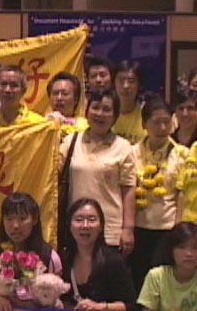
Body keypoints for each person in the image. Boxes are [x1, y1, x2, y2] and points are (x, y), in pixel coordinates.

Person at [59, 89, 136, 254]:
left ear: (115, 116)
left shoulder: (123, 147)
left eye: (107, 109)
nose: (100, 114)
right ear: (87, 111)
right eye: (95, 108)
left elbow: (128, 189)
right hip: (76, 228)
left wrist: (128, 229)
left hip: (110, 230)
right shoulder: (70, 142)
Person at [131, 96, 187, 293]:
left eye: (166, 121)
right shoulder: (132, 152)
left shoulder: (181, 154)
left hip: (167, 229)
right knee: (138, 278)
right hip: (137, 228)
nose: (162, 128)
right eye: (156, 122)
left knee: (161, 283)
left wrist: (178, 231)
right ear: (144, 124)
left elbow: (181, 195)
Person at [0, 192, 62, 311]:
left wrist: (36, 303)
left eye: (22, 218)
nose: (15, 226)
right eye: (9, 219)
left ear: (34, 219)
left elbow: (57, 298)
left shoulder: (50, 257)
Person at [112, 60, 146, 144]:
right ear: (113, 83)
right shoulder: (105, 113)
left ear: (139, 85)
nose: (125, 86)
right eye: (121, 80)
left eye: (131, 81)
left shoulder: (147, 114)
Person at [46, 71, 88, 137]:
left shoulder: (85, 126)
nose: (59, 98)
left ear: (76, 99)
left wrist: (63, 121)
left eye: (65, 94)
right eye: (55, 93)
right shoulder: (42, 124)